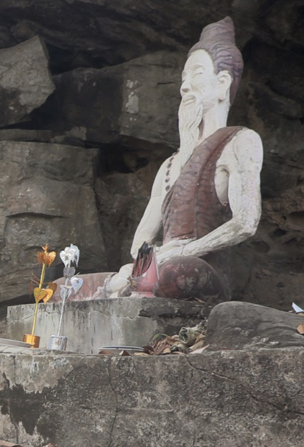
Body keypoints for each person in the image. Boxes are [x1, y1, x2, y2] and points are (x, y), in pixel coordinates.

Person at [59, 16, 263, 302]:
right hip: (156, 265)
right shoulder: (170, 165)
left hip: (197, 270)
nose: (184, 87)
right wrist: (148, 259)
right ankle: (136, 284)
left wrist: (182, 251)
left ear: (222, 82)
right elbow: (141, 239)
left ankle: (145, 283)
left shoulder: (240, 141)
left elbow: (246, 223)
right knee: (63, 288)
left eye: (196, 75)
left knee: (174, 275)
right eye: (183, 78)